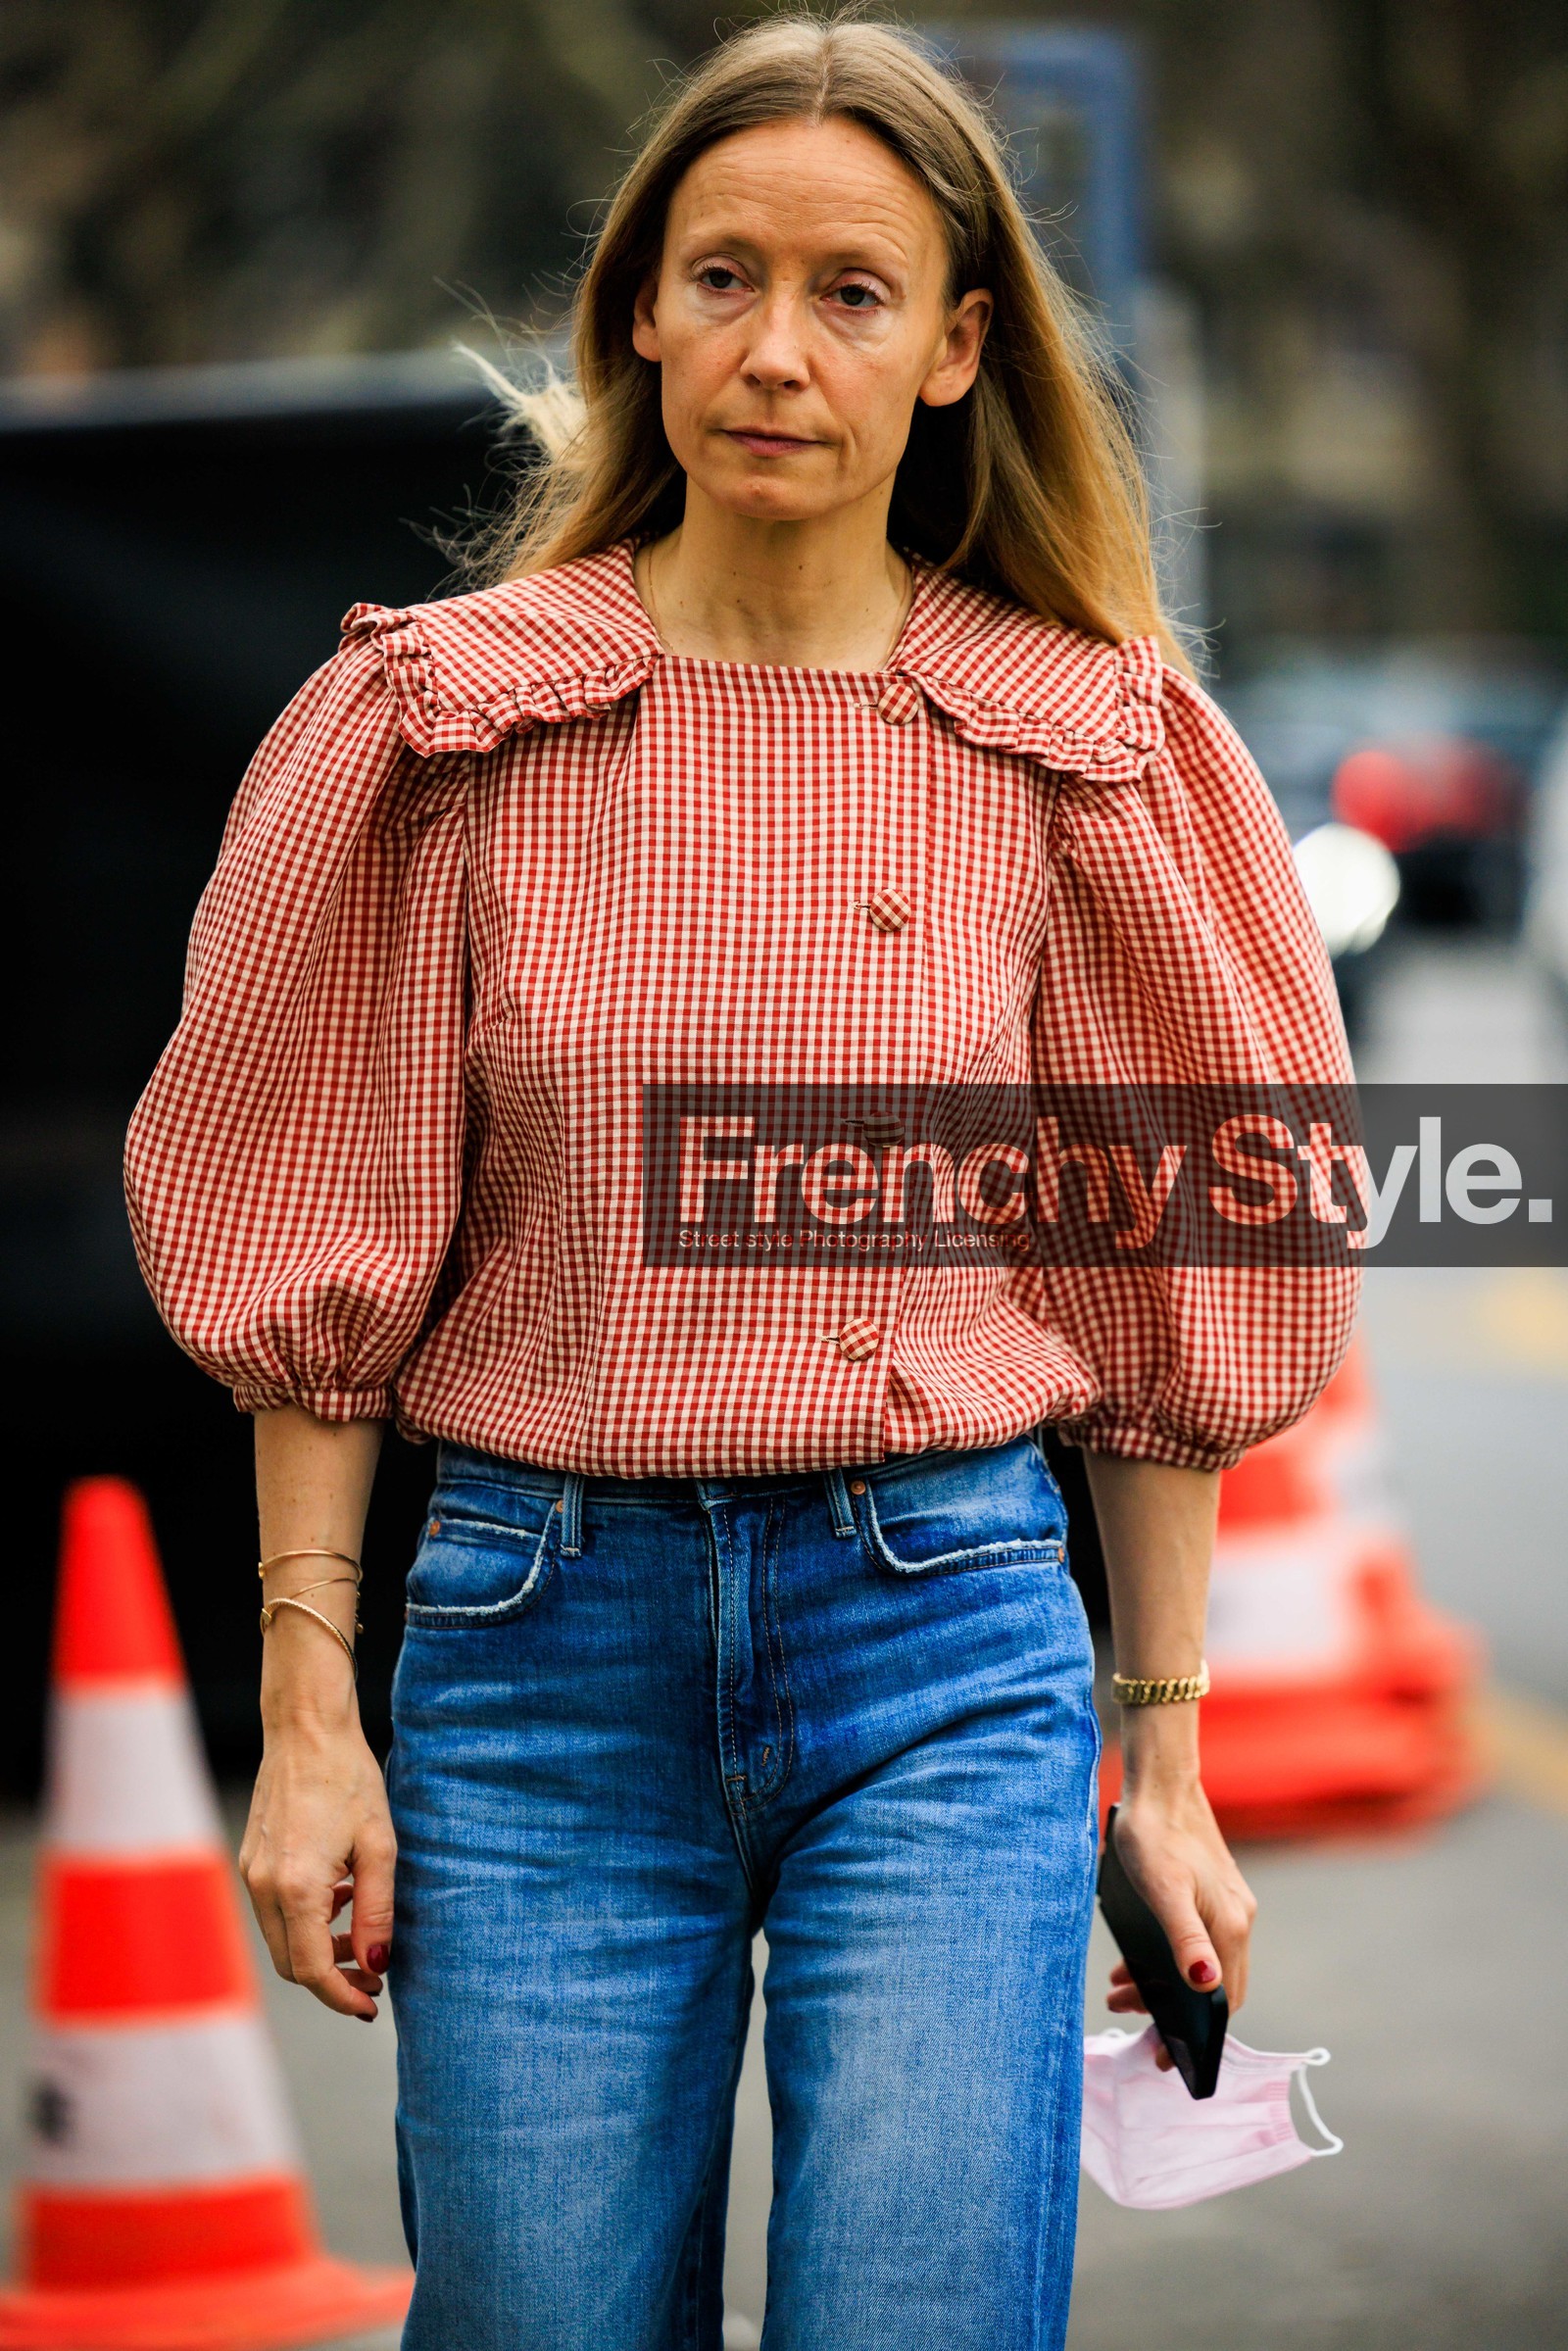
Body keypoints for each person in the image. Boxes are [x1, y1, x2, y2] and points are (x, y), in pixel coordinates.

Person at [124, 18, 1357, 2349]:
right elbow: (317, 1229)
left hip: (946, 1645)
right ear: (635, 316)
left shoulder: (1081, 742)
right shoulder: (438, 724)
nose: (772, 350)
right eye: (717, 277)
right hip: (530, 1654)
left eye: (850, 292)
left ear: (956, 347)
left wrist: (1164, 1751)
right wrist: (311, 1722)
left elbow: (1171, 1272)